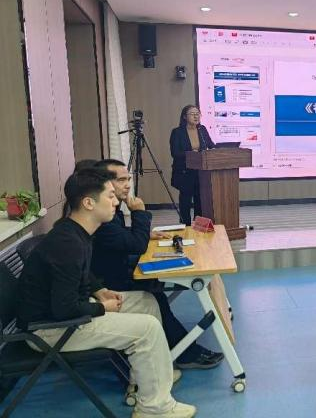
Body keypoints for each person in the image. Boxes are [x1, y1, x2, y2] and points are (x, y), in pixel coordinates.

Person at [17, 168, 196, 418]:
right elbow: (64, 308)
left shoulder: (75, 231)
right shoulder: (68, 244)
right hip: (48, 330)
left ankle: (144, 381)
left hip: (63, 315)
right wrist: (102, 307)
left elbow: (81, 274)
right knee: (147, 329)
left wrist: (99, 290)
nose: (116, 202)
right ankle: (154, 409)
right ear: (89, 203)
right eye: (110, 196)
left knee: (146, 302)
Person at [91, 158, 224, 369]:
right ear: (103, 184)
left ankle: (181, 349)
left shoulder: (111, 212)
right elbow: (135, 245)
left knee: (157, 286)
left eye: (128, 179)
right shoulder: (102, 218)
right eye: (121, 180)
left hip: (116, 271)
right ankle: (185, 354)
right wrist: (139, 212)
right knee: (156, 295)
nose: (127, 185)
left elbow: (120, 237)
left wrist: (144, 233)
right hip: (110, 282)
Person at [169, 105, 215, 225]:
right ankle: (185, 224)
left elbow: (210, 145)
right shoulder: (177, 132)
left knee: (200, 199)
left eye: (198, 113)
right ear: (185, 117)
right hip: (185, 171)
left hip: (201, 171)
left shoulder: (202, 129)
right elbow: (175, 153)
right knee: (186, 200)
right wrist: (190, 153)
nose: (196, 116)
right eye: (192, 114)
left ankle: (198, 224)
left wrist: (221, 149)